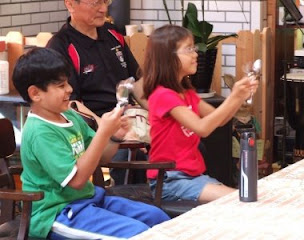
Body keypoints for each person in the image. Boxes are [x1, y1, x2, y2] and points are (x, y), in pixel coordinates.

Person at [12, 47, 169, 239]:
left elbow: (102, 156)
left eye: (67, 82)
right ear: (35, 93)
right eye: (61, 86)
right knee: (137, 233)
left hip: (88, 200)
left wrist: (114, 136)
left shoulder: (68, 114)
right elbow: (77, 181)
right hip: (56, 214)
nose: (69, 89)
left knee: (157, 217)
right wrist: (103, 132)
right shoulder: (40, 131)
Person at [142, 25, 259, 203]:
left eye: (194, 48)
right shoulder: (163, 95)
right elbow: (203, 128)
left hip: (193, 178)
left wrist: (240, 97)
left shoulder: (186, 93)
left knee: (245, 198)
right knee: (239, 200)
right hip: (169, 181)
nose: (195, 54)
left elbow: (220, 119)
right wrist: (234, 95)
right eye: (188, 49)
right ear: (168, 57)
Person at [46, 0, 147, 185]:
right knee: (130, 153)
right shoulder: (60, 45)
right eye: (95, 3)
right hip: (91, 125)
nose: (103, 8)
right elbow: (70, 104)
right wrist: (109, 128)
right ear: (70, 4)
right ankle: (131, 201)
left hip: (127, 116)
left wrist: (160, 117)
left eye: (105, 1)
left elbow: (137, 83)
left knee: (187, 141)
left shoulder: (112, 33)